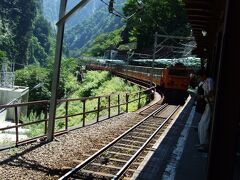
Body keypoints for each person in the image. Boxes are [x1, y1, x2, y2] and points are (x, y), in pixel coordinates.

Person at [197, 70, 214, 152]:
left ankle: (205, 144)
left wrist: (202, 97)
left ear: (203, 75)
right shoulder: (204, 82)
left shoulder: (209, 80)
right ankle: (202, 143)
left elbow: (211, 92)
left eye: (200, 76)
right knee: (201, 124)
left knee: (204, 124)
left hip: (210, 104)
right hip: (207, 104)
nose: (199, 78)